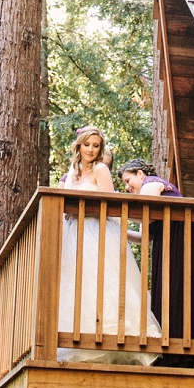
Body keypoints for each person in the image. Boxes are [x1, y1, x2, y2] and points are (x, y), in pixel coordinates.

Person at [57, 127, 159, 364]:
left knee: (104, 280)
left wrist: (82, 209)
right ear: (79, 146)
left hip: (98, 230)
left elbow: (110, 204)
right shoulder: (72, 173)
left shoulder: (100, 170)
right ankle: (80, 340)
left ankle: (114, 337)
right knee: (79, 284)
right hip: (75, 233)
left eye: (95, 145)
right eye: (87, 145)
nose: (91, 150)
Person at [120, 159, 194, 366]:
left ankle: (189, 354)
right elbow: (144, 237)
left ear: (140, 174)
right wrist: (118, 230)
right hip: (170, 243)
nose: (127, 187)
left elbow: (146, 216)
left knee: (184, 291)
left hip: (184, 239)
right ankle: (179, 353)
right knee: (174, 293)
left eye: (128, 180)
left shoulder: (151, 183)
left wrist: (118, 212)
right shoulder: (147, 191)